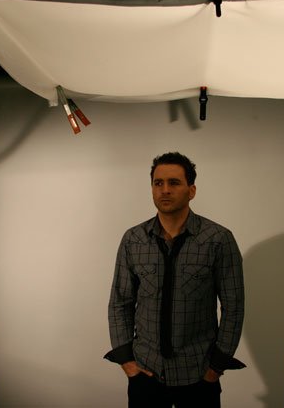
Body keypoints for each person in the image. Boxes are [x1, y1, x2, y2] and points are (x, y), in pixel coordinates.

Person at [104, 152, 245, 408]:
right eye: (158, 183)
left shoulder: (218, 240)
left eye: (174, 182)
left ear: (192, 190)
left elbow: (233, 307)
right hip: (145, 374)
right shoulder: (133, 240)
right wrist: (127, 363)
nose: (165, 190)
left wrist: (215, 368)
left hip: (199, 376)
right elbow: (120, 302)